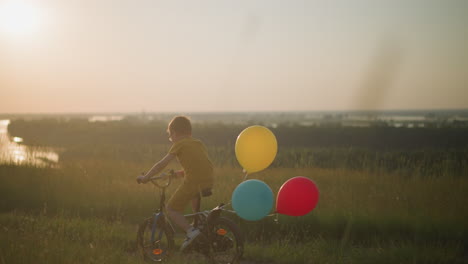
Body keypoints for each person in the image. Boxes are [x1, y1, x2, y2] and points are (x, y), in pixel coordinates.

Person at [136, 116, 214, 250]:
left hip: (194, 181)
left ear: (175, 133)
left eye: (170, 136)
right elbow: (196, 165)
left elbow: (161, 164)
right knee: (194, 196)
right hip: (208, 179)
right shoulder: (197, 143)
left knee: (171, 209)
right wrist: (177, 174)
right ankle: (199, 224)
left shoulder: (179, 144)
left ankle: (191, 232)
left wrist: (146, 177)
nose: (171, 139)